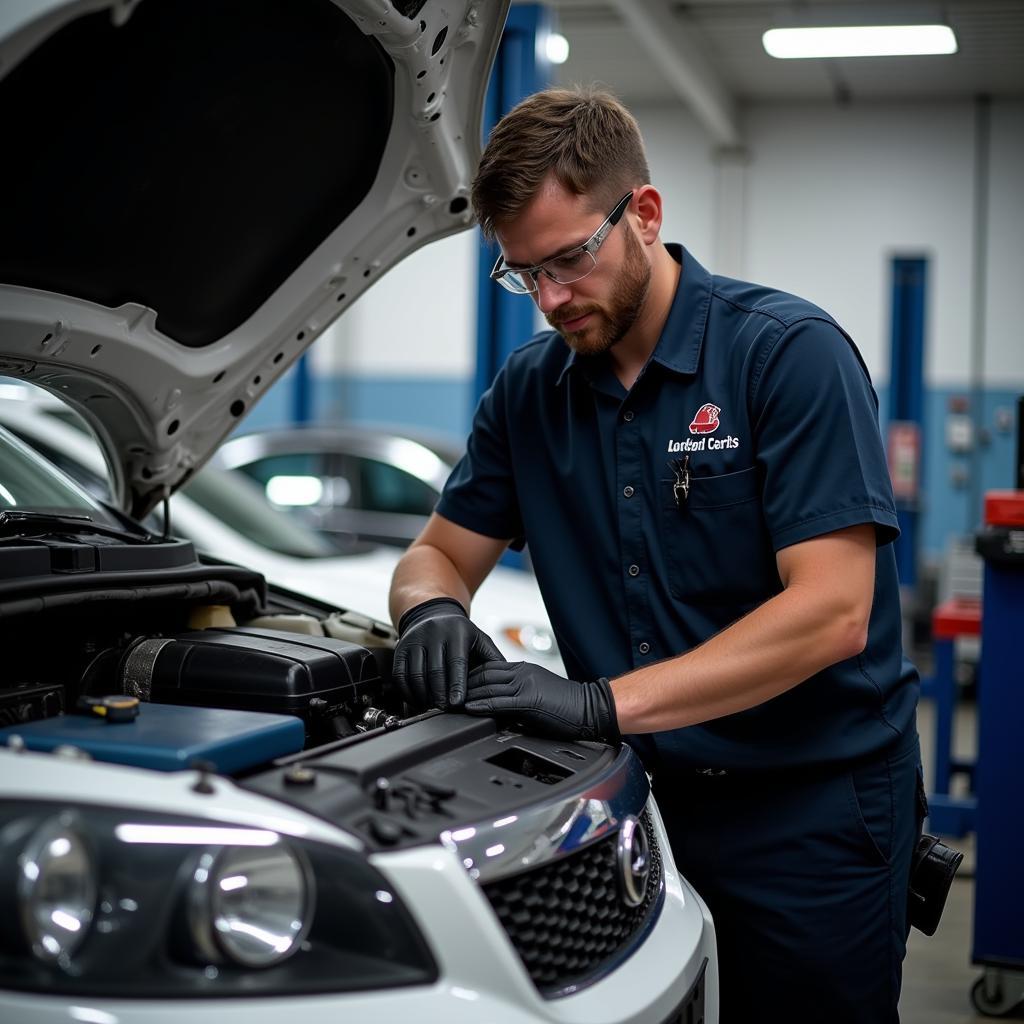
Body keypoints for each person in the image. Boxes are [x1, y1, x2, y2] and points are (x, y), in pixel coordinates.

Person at [387, 87, 922, 1023]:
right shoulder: (530, 394)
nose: (551, 300)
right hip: (635, 811)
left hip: (811, 819)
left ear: (644, 214)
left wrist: (600, 704)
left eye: (568, 260)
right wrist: (430, 608)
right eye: (523, 276)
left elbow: (833, 613)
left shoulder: (785, 357)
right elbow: (437, 553)